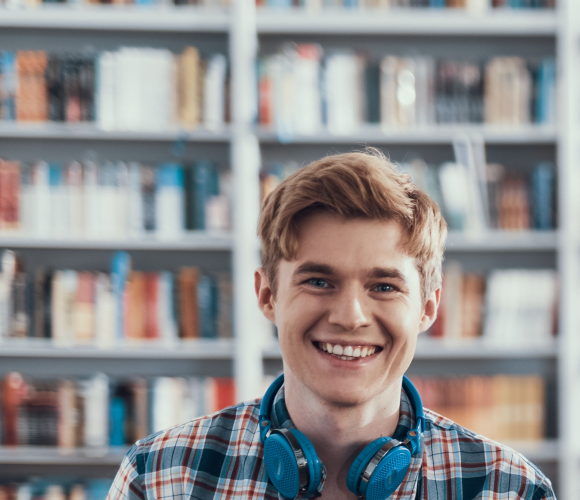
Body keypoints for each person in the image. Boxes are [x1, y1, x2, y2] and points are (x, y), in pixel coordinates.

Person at [109, 151, 557, 499]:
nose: (350, 316)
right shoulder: (160, 477)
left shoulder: (509, 488)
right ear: (268, 295)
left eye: (383, 286)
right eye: (319, 281)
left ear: (427, 308)